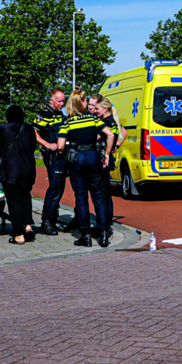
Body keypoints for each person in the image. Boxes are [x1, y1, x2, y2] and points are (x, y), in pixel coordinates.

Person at [57, 88, 114, 248]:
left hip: (77, 160)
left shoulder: (68, 122)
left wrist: (68, 149)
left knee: (81, 198)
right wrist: (107, 153)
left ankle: (85, 235)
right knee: (98, 196)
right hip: (94, 157)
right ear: (81, 103)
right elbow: (110, 134)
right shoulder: (93, 119)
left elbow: (60, 145)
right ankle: (103, 233)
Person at [0, 105, 38, 244]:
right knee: (26, 197)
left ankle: (19, 234)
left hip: (10, 170)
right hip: (28, 169)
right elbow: (33, 146)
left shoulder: (2, 129)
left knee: (14, 202)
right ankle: (28, 225)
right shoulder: (29, 128)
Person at [89, 93, 126, 238]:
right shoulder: (113, 121)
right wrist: (115, 146)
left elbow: (94, 137)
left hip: (102, 159)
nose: (95, 111)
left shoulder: (106, 122)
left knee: (100, 192)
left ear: (105, 109)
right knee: (105, 191)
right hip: (107, 158)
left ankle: (103, 224)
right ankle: (107, 220)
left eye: (97, 108)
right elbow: (124, 132)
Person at [32, 88, 67, 235]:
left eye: (63, 101)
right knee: (55, 188)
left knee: (59, 188)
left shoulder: (60, 114)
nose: (62, 104)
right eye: (59, 101)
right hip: (52, 156)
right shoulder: (44, 114)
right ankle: (46, 222)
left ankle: (53, 219)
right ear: (51, 100)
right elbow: (34, 132)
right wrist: (47, 144)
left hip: (61, 155)